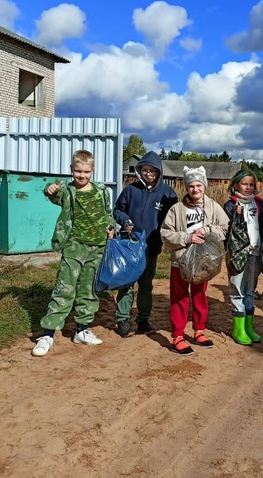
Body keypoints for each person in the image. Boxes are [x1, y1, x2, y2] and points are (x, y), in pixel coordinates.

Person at [31, 149, 116, 357]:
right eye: (78, 171)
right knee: (65, 288)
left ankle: (81, 329)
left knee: (88, 290)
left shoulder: (102, 190)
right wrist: (50, 190)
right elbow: (54, 194)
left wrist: (111, 226)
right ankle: (48, 334)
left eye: (86, 172)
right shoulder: (68, 191)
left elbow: (108, 213)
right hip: (74, 247)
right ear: (72, 170)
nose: (82, 175)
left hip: (97, 248)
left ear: (93, 171)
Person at [160, 166, 229, 355]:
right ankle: (178, 336)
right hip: (181, 261)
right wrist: (186, 238)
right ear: (186, 187)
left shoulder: (213, 207)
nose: (195, 189)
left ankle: (199, 331)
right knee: (179, 297)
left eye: (199, 185)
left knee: (200, 296)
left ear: (204, 186)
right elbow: (165, 234)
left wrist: (207, 231)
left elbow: (224, 228)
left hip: (203, 263)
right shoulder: (176, 209)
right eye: (191, 186)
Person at [112, 151, 177, 338]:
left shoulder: (168, 194)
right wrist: (124, 220)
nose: (148, 174)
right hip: (129, 246)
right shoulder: (131, 190)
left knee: (146, 285)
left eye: (152, 171)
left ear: (159, 172)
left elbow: (172, 220)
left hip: (150, 247)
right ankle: (123, 320)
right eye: (144, 170)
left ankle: (143, 320)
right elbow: (118, 209)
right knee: (126, 283)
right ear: (139, 171)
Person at [223, 169, 263, 345]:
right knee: (237, 289)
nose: (248, 187)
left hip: (255, 253)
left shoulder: (259, 204)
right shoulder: (229, 205)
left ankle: (249, 326)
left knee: (250, 289)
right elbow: (226, 233)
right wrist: (236, 214)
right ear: (236, 184)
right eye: (244, 184)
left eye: (251, 184)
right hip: (237, 255)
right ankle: (238, 329)